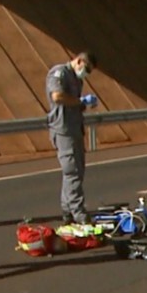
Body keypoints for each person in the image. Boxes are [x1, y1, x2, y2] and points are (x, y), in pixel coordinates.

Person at [46, 52, 99, 226]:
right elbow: (58, 97)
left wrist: (84, 104)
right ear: (79, 60)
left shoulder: (78, 80)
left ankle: (67, 210)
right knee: (72, 172)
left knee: (77, 171)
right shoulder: (59, 72)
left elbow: (75, 104)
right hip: (63, 129)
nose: (86, 73)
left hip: (75, 128)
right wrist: (79, 100)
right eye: (86, 69)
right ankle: (78, 213)